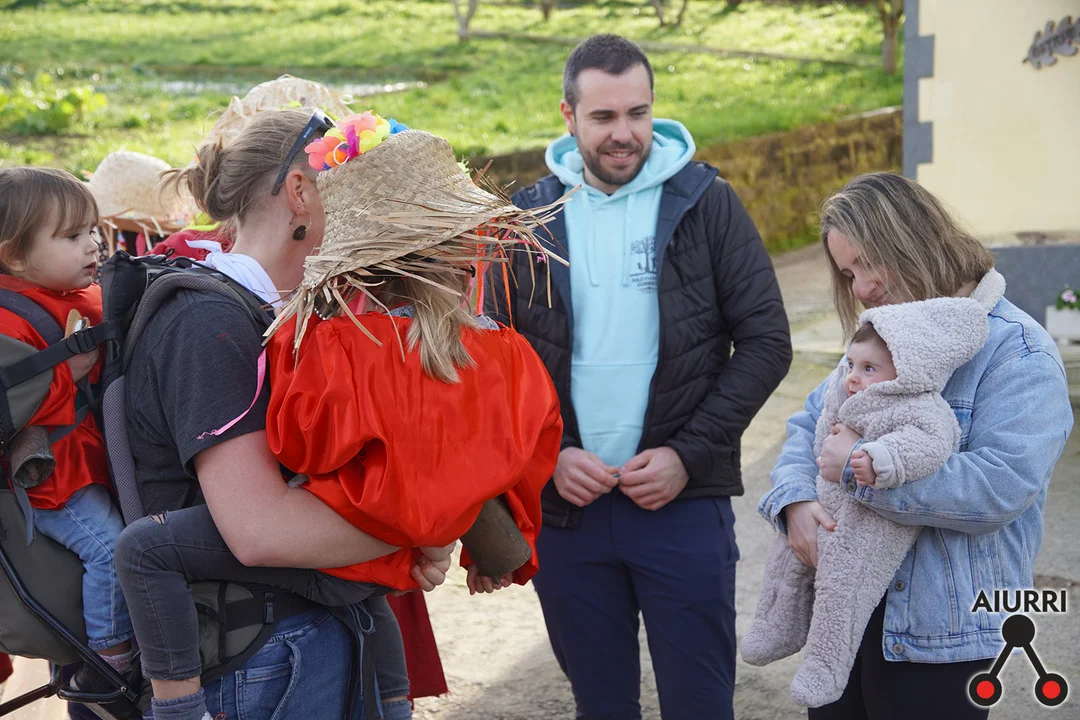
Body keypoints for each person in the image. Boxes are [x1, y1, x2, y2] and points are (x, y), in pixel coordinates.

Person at [115, 116, 564, 717]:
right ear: (301, 192)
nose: (375, 207)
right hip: (261, 661)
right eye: (355, 185)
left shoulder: (297, 319)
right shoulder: (208, 323)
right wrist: (426, 528)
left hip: (304, 640)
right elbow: (261, 530)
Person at [485, 33, 792, 719]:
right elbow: (489, 363)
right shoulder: (526, 220)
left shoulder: (708, 203)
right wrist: (548, 458)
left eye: (638, 113)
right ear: (568, 116)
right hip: (569, 510)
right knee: (601, 707)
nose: (624, 134)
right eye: (603, 117)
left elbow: (768, 342)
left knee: (701, 707)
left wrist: (688, 455)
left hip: (681, 502)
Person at [757, 172, 1073, 720]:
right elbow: (809, 426)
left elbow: (999, 488)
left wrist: (860, 473)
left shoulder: (1019, 351)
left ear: (914, 240)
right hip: (846, 613)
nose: (860, 288)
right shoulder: (882, 335)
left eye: (867, 264)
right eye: (848, 273)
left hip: (942, 634)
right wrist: (794, 504)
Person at [743, 296, 992, 707]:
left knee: (840, 591)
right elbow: (813, 427)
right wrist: (797, 495)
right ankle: (776, 626)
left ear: (905, 370)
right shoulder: (845, 390)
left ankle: (825, 666)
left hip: (871, 524)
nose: (853, 378)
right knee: (786, 560)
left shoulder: (920, 407)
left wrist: (878, 458)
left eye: (868, 369)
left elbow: (929, 444)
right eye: (851, 364)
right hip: (827, 503)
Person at [0, 167, 136, 689]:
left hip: (89, 463)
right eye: (72, 236)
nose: (93, 245)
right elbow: (13, 403)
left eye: (93, 231)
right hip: (53, 484)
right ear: (15, 257)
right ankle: (109, 659)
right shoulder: (8, 320)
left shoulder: (80, 294)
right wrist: (65, 373)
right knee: (110, 548)